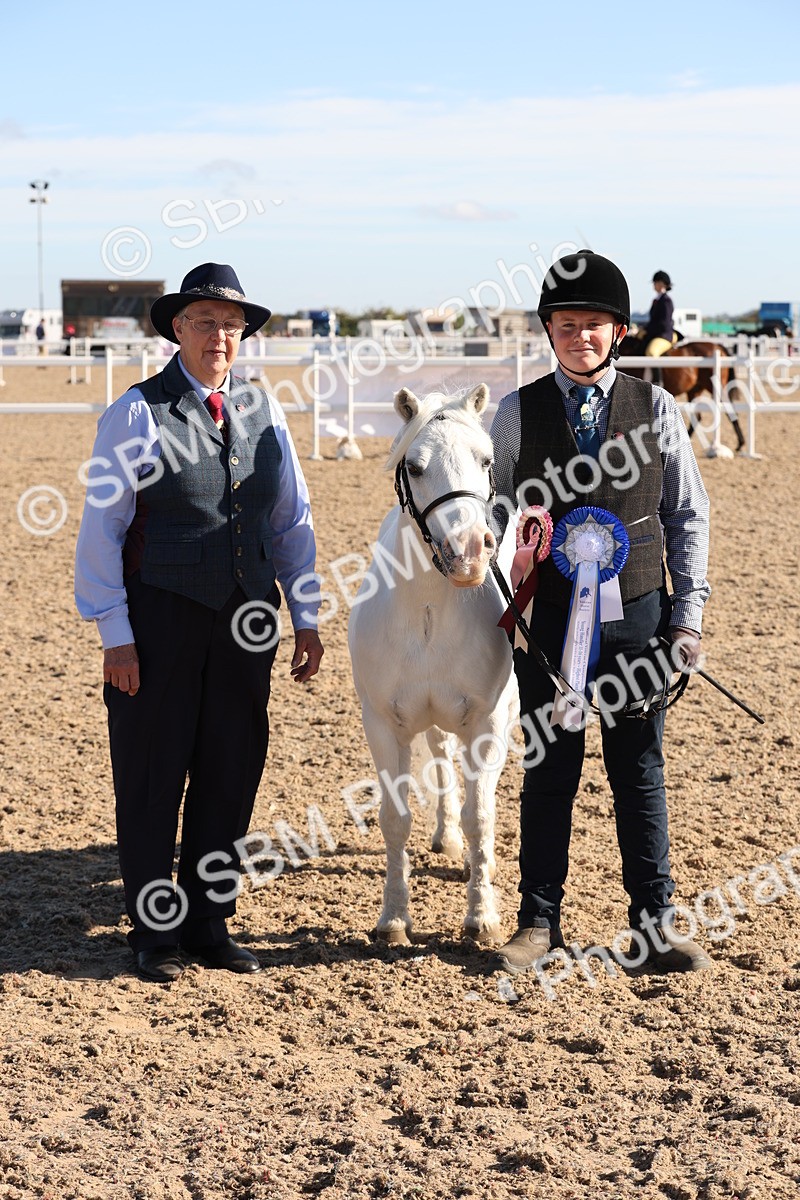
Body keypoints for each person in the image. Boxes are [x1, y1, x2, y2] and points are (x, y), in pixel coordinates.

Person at [75, 263, 324, 983]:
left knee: (230, 767)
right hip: (160, 614)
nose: (220, 336)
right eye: (205, 322)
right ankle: (153, 932)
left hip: (248, 616)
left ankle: (208, 920)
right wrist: (114, 634)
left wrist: (305, 614)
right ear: (177, 328)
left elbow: (290, 521)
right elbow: (102, 529)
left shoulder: (265, 409)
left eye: (231, 324)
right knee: (154, 771)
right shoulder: (135, 411)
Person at [490, 249, 712, 976]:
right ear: (549, 330)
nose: (578, 336)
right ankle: (537, 921)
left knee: (638, 768)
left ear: (618, 331)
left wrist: (688, 620)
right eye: (565, 324)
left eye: (592, 324)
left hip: (641, 616)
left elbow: (687, 515)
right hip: (550, 620)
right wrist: (513, 571)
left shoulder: (659, 408)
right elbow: (494, 514)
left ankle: (654, 923)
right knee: (548, 767)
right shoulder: (513, 412)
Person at [641, 270, 676, 356]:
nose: (654, 285)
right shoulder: (657, 300)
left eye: (655, 282)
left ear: (662, 283)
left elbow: (664, 323)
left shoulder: (666, 301)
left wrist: (647, 330)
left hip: (663, 335)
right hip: (656, 334)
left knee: (651, 352)